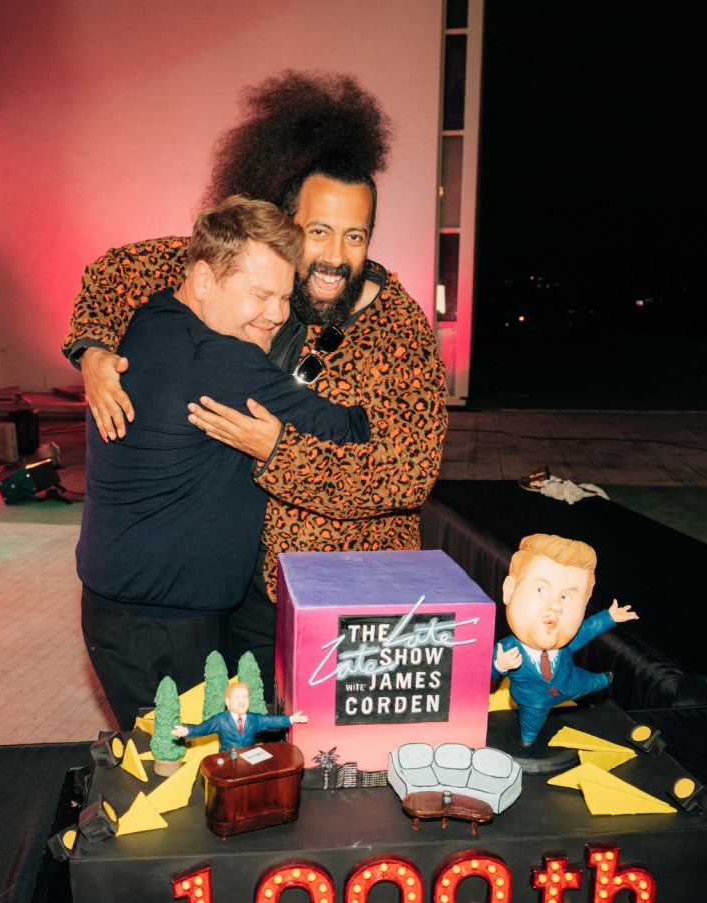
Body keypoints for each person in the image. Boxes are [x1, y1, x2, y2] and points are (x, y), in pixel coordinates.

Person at [64, 71, 448, 697]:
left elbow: (409, 472)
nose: (334, 256)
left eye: (355, 235)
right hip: (228, 584)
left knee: (317, 754)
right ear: (285, 225)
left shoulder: (399, 330)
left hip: (332, 588)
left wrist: (278, 452)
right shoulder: (264, 270)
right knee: (230, 744)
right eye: (317, 231)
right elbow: (116, 271)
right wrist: (93, 348)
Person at [78, 197, 370, 730]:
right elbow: (351, 432)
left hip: (125, 606)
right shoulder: (224, 360)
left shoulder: (153, 316)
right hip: (163, 627)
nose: (279, 314)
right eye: (260, 294)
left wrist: (90, 349)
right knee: (179, 775)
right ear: (206, 279)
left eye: (285, 296)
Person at [492, 533, 639, 745]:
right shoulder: (507, 648)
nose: (555, 606)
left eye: (566, 597)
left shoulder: (567, 643)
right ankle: (527, 742)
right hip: (533, 703)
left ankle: (605, 679)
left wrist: (609, 616)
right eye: (541, 590)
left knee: (592, 682)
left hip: (572, 684)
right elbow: (485, 668)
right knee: (529, 731)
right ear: (509, 590)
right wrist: (500, 664)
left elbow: (588, 629)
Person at [171, 680, 307, 748]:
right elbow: (203, 728)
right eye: (237, 697)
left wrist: (291, 719)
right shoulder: (220, 720)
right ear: (227, 701)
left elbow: (271, 721)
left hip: (249, 759)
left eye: (245, 697)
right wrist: (187, 730)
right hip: (228, 760)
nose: (242, 701)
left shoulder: (255, 719)